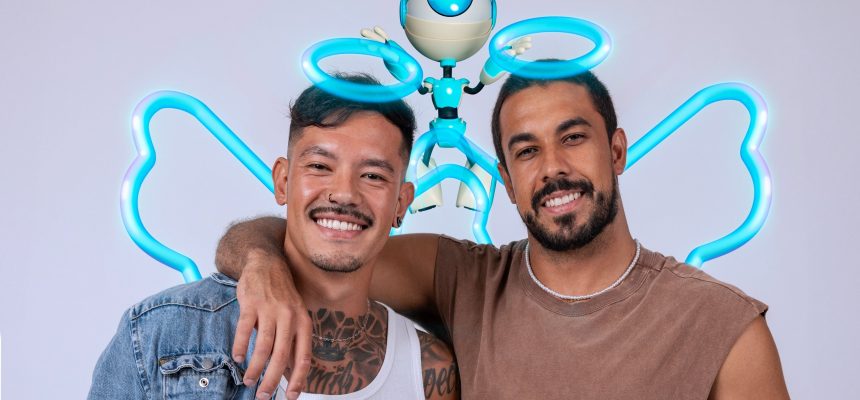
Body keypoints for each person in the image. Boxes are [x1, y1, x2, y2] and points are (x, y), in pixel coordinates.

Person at [216, 71, 790, 399]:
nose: (553, 168)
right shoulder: (463, 279)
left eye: (573, 138)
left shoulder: (724, 328)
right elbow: (323, 240)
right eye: (527, 150)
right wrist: (264, 267)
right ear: (507, 182)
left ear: (616, 151)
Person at [88, 74, 459, 400]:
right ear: (282, 181)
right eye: (320, 166)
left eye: (373, 176)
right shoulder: (160, 335)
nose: (344, 193)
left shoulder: (430, 372)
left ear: (401, 202)